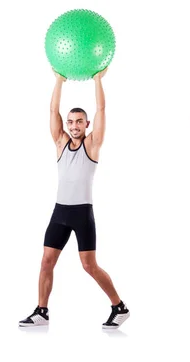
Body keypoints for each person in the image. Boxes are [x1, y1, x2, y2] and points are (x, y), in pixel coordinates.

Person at [19, 68, 129, 329]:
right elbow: (52, 112)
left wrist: (98, 80)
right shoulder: (60, 143)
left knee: (89, 265)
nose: (74, 126)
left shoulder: (92, 145)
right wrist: (59, 81)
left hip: (81, 213)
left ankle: (119, 306)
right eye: (71, 122)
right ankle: (42, 311)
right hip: (60, 212)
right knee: (46, 260)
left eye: (79, 121)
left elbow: (101, 110)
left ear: (86, 124)